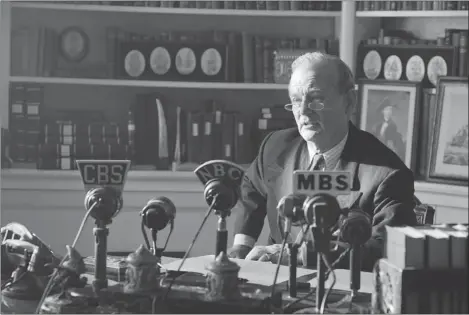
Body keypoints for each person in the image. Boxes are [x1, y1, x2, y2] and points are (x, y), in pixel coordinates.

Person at [228, 52, 417, 271]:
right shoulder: (275, 147)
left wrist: (300, 256)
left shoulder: (387, 173)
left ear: (349, 102)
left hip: (340, 290)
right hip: (275, 282)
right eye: (296, 101)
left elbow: (385, 249)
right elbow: (250, 189)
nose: (304, 112)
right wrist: (242, 246)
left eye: (316, 99)